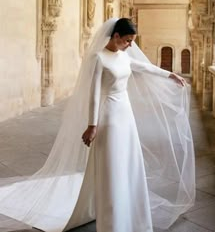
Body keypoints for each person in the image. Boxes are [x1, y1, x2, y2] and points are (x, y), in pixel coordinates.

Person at [0, 18, 195, 232]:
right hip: (109, 115)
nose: (130, 45)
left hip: (125, 114)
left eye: (132, 41)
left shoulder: (123, 56)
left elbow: (145, 68)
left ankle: (131, 212)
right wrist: (92, 125)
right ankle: (112, 220)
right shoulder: (99, 58)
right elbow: (94, 94)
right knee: (111, 163)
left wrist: (170, 75)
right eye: (128, 40)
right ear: (116, 36)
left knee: (128, 161)